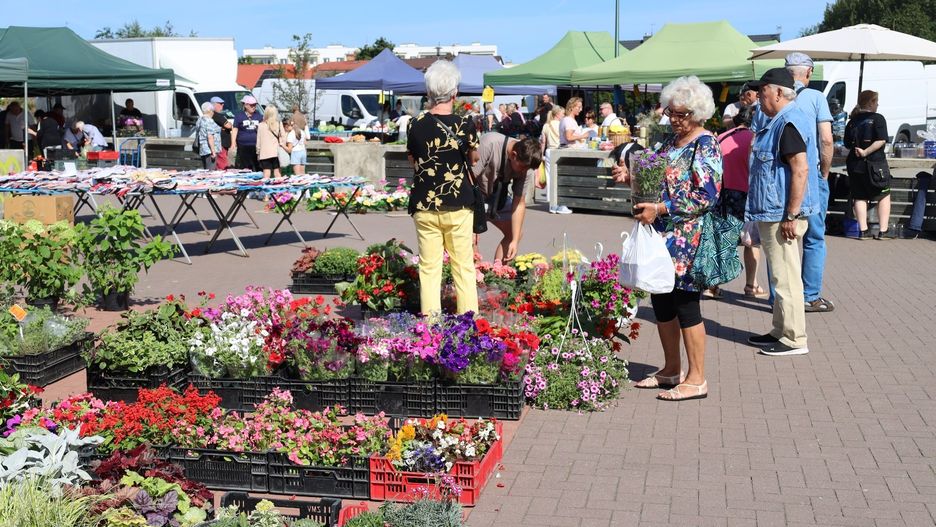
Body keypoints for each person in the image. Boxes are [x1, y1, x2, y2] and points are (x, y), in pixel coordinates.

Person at [627, 76, 721, 401]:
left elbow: (706, 196)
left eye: (680, 114)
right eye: (671, 112)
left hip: (688, 239)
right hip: (662, 236)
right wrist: (630, 174)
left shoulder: (705, 144)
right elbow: (652, 170)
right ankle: (670, 370)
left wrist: (662, 207)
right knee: (661, 301)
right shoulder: (670, 142)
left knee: (686, 306)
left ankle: (697, 379)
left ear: (696, 113)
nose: (673, 119)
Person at [746, 67, 820, 357]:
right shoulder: (780, 120)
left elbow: (800, 169)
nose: (758, 98)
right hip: (774, 210)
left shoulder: (788, 121)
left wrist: (791, 214)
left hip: (782, 213)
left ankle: (793, 338)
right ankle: (780, 330)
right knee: (780, 276)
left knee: (786, 276)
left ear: (778, 92)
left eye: (762, 92)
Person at [406, 60, 479, 316]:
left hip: (425, 204)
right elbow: (474, 159)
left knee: (429, 268)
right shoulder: (466, 124)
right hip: (458, 203)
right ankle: (469, 324)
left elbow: (412, 159)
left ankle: (431, 327)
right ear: (455, 92)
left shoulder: (414, 124)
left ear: (428, 92)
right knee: (463, 267)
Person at [785, 52, 835, 313]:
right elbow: (826, 140)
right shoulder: (816, 98)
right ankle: (809, 295)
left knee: (781, 237)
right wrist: (824, 173)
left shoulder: (771, 99)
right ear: (808, 73)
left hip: (780, 178)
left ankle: (778, 297)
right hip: (810, 177)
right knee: (814, 237)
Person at [714, 105, 764, 299]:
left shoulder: (722, 138)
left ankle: (713, 285)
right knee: (752, 243)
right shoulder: (756, 139)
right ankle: (751, 285)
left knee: (722, 240)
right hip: (748, 196)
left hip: (723, 195)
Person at [472, 133, 542, 262]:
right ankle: (475, 276)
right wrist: (472, 228)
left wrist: (514, 241)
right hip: (474, 198)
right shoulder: (489, 144)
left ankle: (498, 274)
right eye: (522, 168)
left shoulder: (526, 164)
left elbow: (519, 203)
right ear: (514, 155)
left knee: (515, 233)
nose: (524, 172)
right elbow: (468, 182)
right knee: (470, 241)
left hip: (498, 197)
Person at [845, 90, 893, 240]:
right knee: (883, 195)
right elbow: (881, 140)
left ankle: (863, 230)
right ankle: (883, 231)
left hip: (855, 165)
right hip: (875, 164)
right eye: (876, 102)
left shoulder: (852, 121)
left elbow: (847, 144)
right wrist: (866, 152)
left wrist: (860, 151)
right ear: (871, 103)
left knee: (859, 197)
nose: (877, 104)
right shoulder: (878, 119)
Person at [231, 95, 263, 171]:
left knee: (256, 165)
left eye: (255, 105)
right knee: (244, 166)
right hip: (243, 145)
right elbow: (235, 129)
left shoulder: (259, 116)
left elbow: (262, 130)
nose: (254, 107)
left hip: (256, 145)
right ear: (246, 105)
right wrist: (233, 143)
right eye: (251, 105)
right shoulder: (239, 116)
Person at [256, 105, 287, 179]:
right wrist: (282, 145)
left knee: (266, 175)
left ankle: (266, 189)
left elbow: (258, 141)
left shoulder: (260, 125)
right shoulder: (279, 124)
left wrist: (258, 152)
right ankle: (279, 189)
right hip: (276, 152)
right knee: (277, 174)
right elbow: (283, 137)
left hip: (264, 153)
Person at [194, 102, 221, 170]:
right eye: (212, 111)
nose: (213, 113)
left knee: (206, 170)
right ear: (210, 111)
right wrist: (213, 152)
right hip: (209, 150)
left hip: (203, 149)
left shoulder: (200, 120)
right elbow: (210, 137)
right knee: (210, 172)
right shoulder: (209, 121)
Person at [210, 96, 233, 170]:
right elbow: (229, 126)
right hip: (220, 144)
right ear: (213, 105)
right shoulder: (217, 115)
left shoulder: (216, 115)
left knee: (221, 163)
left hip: (222, 144)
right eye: (220, 104)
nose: (222, 105)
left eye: (223, 104)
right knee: (222, 165)